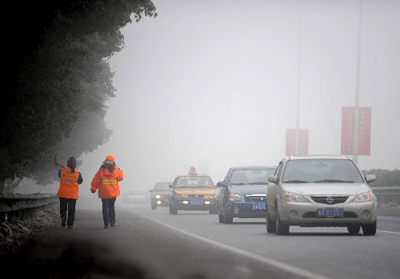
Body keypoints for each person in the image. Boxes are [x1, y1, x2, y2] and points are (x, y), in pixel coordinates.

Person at [90, 155, 124, 228]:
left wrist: (93, 189)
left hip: (104, 192)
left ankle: (106, 223)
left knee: (105, 208)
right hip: (113, 192)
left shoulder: (101, 170)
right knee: (112, 207)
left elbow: (96, 180)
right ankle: (112, 222)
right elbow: (121, 178)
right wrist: (120, 170)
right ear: (113, 161)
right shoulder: (115, 170)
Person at [57, 157, 83, 229]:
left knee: (63, 208)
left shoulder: (62, 170)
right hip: (72, 194)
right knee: (71, 210)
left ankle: (63, 217)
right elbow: (80, 181)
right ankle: (70, 224)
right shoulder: (78, 173)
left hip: (63, 193)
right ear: (75, 164)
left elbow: (59, 176)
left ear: (67, 163)